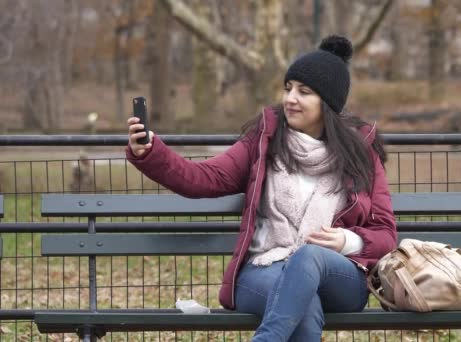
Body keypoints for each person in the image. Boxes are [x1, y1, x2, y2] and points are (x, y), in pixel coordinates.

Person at [126, 35, 397, 341]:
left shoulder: (360, 153)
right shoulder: (265, 141)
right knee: (303, 309)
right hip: (263, 268)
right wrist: (150, 152)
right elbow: (204, 178)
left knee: (308, 256)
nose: (290, 98)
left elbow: (386, 234)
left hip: (339, 275)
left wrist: (347, 240)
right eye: (288, 88)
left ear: (328, 103)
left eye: (304, 92)